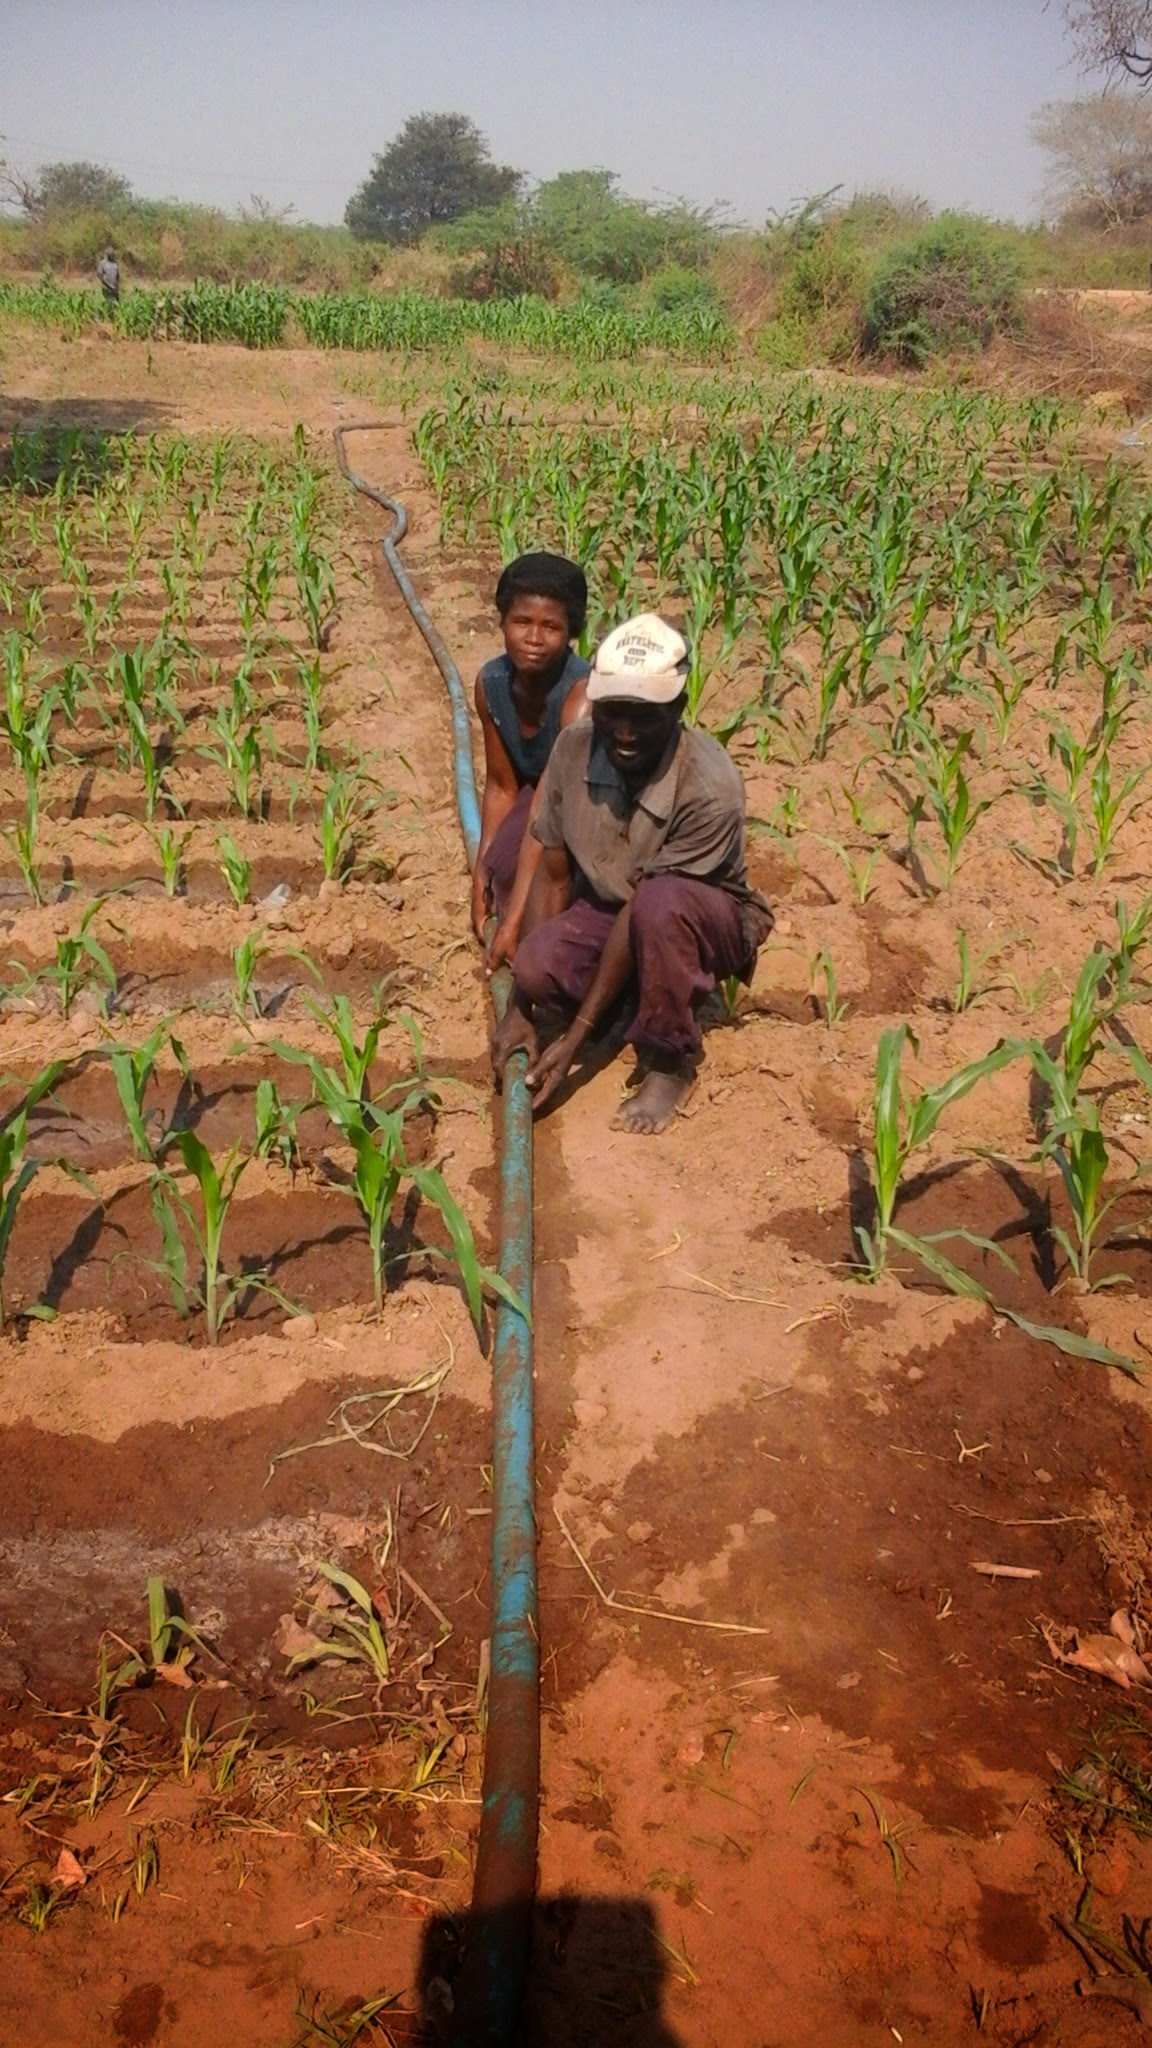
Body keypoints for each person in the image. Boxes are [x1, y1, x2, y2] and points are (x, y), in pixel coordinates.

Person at [491, 613, 773, 1135]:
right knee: (535, 964)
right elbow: (553, 876)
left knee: (659, 906)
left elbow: (648, 902)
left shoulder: (708, 786)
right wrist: (520, 1004)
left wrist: (575, 1036)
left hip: (700, 914)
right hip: (614, 905)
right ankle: (629, 997)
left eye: (644, 716)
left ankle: (669, 1058)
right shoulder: (574, 750)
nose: (624, 731)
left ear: (678, 708)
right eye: (613, 711)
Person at [470, 551, 590, 956]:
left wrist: (516, 915)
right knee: (502, 865)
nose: (535, 639)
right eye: (522, 622)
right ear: (502, 621)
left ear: (570, 632)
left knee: (547, 877)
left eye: (551, 627)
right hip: (534, 793)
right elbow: (502, 786)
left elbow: (550, 804)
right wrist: (478, 874)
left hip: (581, 801)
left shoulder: (580, 697)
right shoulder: (492, 684)